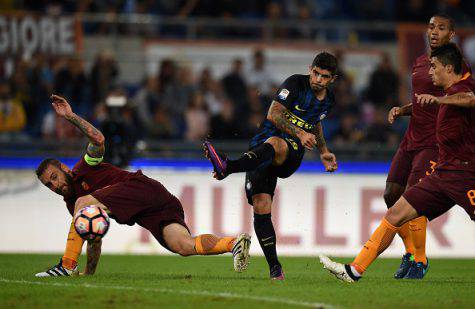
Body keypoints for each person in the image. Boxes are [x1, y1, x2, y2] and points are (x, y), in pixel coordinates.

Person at [34, 95, 251, 277]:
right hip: (155, 203)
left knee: (83, 203)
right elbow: (93, 237)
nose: (54, 184)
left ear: (63, 167)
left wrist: (70, 116)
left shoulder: (84, 168)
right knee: (183, 245)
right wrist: (89, 275)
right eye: (48, 184)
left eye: (54, 176)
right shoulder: (76, 205)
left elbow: (98, 139)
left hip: (140, 187)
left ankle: (67, 265)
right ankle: (233, 244)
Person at [320, 43, 475, 282]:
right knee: (396, 213)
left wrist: (439, 101)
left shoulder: (464, 88)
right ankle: (354, 270)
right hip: (442, 174)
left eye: (434, 67)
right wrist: (409, 108)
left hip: (465, 174)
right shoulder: (444, 95)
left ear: (448, 67)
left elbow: (469, 99)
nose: (430, 72)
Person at [203, 52, 338, 280]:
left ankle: (228, 167)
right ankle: (275, 269)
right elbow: (273, 113)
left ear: (332, 79)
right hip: (259, 150)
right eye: (315, 73)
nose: (318, 80)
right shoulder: (295, 83)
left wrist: (323, 151)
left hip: (290, 151)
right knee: (261, 204)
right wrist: (307, 136)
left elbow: (316, 124)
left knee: (276, 143)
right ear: (310, 68)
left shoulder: (329, 100)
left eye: (324, 77)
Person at [384, 14, 470, 279]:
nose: (434, 32)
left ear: (452, 34)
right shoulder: (421, 62)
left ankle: (418, 261)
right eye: (431, 26)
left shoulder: (456, 67)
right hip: (411, 138)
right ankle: (411, 251)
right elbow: (425, 100)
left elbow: (460, 98)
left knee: (414, 198)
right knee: (390, 194)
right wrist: (403, 109)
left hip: (433, 143)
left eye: (441, 28)